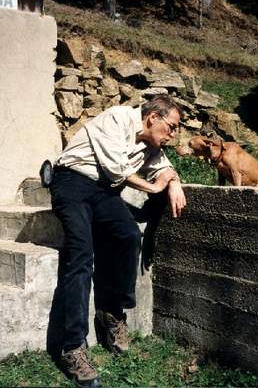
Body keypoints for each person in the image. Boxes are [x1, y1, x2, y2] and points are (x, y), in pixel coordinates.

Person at [48, 95, 186, 387]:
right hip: (71, 181)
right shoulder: (117, 117)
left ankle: (111, 313)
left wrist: (172, 183)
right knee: (80, 255)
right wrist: (155, 185)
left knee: (128, 235)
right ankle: (73, 347)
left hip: (102, 192)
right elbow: (116, 170)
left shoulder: (150, 143)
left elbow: (166, 168)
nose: (173, 135)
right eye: (172, 127)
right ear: (153, 118)